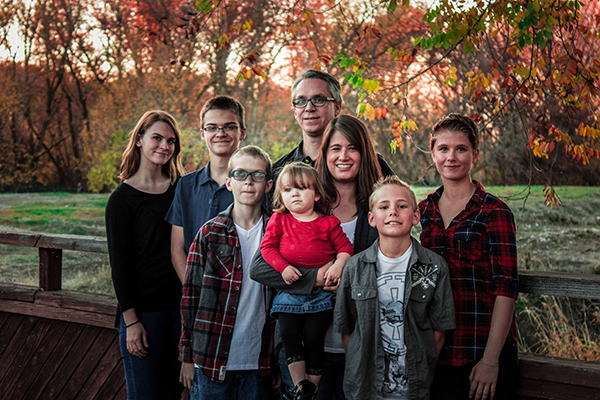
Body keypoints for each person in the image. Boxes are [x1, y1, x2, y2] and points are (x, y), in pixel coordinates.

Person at [252, 114, 394, 399]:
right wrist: (315, 277)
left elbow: (393, 266)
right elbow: (259, 267)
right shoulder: (303, 206)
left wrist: (345, 273)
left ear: (364, 153)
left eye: (352, 148)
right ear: (323, 154)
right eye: (335, 148)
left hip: (360, 344)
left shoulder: (381, 206)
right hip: (301, 346)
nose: (343, 156)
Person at [419, 114, 519, 400]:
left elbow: (506, 288)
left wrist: (490, 360)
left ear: (475, 154)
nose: (451, 157)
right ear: (433, 153)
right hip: (438, 351)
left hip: (482, 350)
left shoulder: (494, 211)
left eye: (461, 149)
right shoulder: (424, 210)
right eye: (444, 149)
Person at [334, 176, 456, 400]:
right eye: (384, 207)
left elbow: (439, 332)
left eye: (402, 206)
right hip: (366, 386)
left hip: (414, 387)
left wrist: (421, 364)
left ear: (416, 216)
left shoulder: (434, 267)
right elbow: (347, 329)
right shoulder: (355, 267)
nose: (393, 212)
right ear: (372, 218)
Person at [179, 145, 279, 400]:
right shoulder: (209, 233)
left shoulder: (278, 233)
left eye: (257, 176)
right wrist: (187, 357)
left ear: (268, 185)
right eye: (240, 174)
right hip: (211, 358)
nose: (248, 182)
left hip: (260, 360)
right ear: (228, 182)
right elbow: (190, 298)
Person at [105, 110, 185, 399]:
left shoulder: (180, 189)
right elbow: (119, 265)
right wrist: (132, 321)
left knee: (173, 395)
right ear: (139, 139)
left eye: (171, 141)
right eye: (157, 138)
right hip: (143, 317)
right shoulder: (122, 199)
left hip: (179, 312)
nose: (165, 146)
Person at [260, 162, 354, 400]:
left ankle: (311, 387)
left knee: (313, 338)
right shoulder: (279, 220)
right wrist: (283, 268)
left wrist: (338, 265)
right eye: (288, 190)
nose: (295, 195)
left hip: (321, 295)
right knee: (290, 335)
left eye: (302, 189)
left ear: (317, 194)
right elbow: (267, 248)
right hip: (289, 292)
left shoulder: (328, 223)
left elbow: (346, 249)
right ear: (281, 195)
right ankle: (299, 384)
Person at [166, 95, 247, 282]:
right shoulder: (185, 186)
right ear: (203, 134)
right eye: (212, 128)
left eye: (229, 126)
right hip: (195, 293)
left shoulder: (255, 184)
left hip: (241, 293)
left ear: (242, 132)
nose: (220, 133)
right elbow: (177, 248)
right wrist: (192, 289)